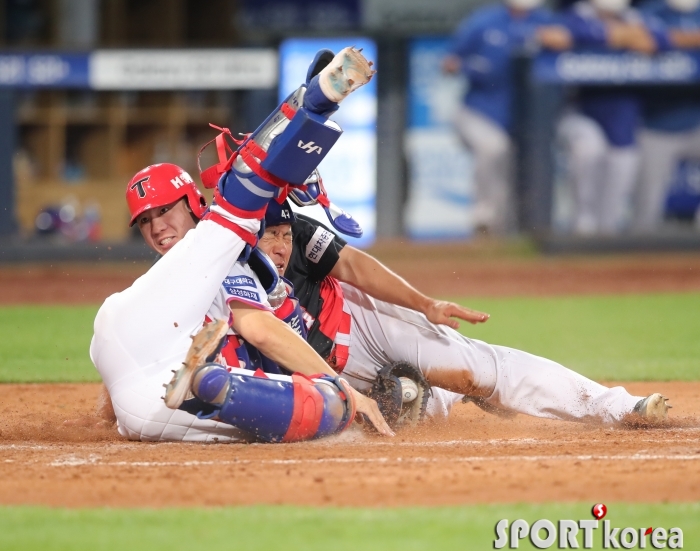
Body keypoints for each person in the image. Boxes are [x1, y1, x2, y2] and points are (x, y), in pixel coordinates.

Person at [89, 47, 393, 442]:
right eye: (145, 221)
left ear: (192, 204)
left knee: (237, 212)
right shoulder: (229, 255)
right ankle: (212, 385)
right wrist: (345, 390)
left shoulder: (172, 275)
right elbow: (261, 328)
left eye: (164, 212)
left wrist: (106, 413)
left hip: (134, 372)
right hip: (173, 375)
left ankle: (205, 384)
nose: (156, 227)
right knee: (331, 406)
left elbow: (128, 347)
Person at [254, 199, 672, 425]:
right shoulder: (224, 271)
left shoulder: (298, 237)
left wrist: (425, 304)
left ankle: (615, 406)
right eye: (269, 235)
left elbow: (351, 265)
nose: (280, 245)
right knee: (398, 407)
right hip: (324, 367)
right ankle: (444, 395)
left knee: (475, 371)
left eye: (284, 234)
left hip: (359, 318)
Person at [442, 0, 570, 234]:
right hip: (478, 112)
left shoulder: (544, 20)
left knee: (518, 167)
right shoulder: (484, 21)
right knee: (494, 148)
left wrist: (556, 39)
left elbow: (567, 40)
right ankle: (484, 216)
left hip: (528, 118)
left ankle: (507, 228)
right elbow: (449, 61)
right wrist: (464, 66)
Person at [546, 0, 670, 235]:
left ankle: (607, 229)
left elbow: (659, 40)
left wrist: (626, 36)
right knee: (588, 150)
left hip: (623, 112)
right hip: (578, 109)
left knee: (623, 162)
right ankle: (582, 221)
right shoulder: (576, 13)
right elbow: (559, 35)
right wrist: (619, 37)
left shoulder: (636, 17)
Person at [634, 0, 700, 232]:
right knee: (646, 211)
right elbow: (641, 40)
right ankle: (637, 260)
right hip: (656, 124)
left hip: (695, 120)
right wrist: (691, 40)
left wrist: (672, 41)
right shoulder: (651, 12)